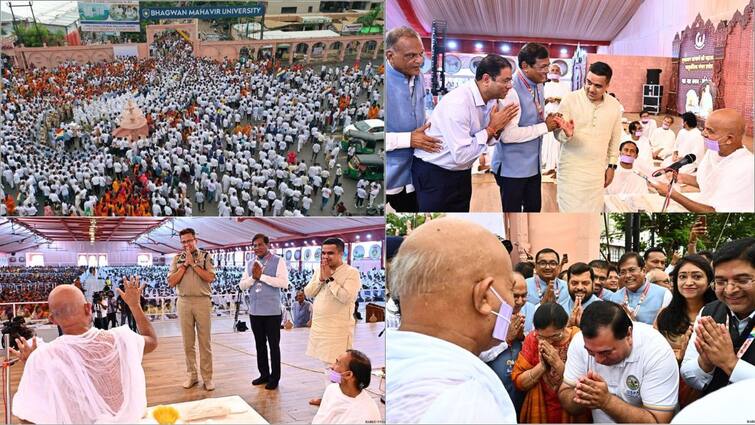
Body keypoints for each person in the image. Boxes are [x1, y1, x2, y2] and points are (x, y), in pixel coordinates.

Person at [386, 217, 518, 423]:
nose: (514, 303)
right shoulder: (466, 403)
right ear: (484, 297)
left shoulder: (394, 361)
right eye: (510, 288)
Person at [12, 277, 158, 424]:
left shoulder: (43, 357)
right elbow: (151, 340)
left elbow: (27, 415)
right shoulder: (120, 339)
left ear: (52, 319)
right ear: (88, 308)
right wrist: (135, 305)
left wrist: (33, 365)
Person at [412, 54, 519, 212]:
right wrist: (491, 129)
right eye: (505, 80)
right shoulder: (459, 103)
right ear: (486, 79)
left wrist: (497, 129)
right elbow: (461, 154)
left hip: (461, 172)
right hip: (435, 173)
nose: (510, 86)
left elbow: (484, 140)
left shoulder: (491, 100)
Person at [558, 301, 679, 423]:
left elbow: (658, 421)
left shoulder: (656, 352)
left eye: (606, 352)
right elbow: (565, 394)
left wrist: (607, 401)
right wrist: (583, 395)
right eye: (590, 352)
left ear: (628, 334)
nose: (598, 360)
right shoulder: (579, 342)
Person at [681, 238, 755, 396]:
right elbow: (688, 374)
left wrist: (730, 363)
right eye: (720, 282)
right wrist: (705, 362)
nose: (729, 290)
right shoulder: (709, 313)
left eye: (742, 280)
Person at [492, 43, 560, 212]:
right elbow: (508, 136)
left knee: (534, 213)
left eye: (548, 65)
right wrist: (545, 126)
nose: (547, 71)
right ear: (525, 66)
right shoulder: (510, 90)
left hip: (533, 166)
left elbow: (533, 113)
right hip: (512, 170)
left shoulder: (538, 82)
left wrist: (548, 119)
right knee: (513, 217)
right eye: (542, 67)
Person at [651, 108, 754, 212]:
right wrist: (681, 177)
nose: (703, 134)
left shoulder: (746, 167)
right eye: (704, 128)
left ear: (729, 139)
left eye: (710, 130)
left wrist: (672, 194)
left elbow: (716, 212)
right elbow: (705, 182)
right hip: (704, 200)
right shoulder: (713, 151)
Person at [384, 26, 440, 212]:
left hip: (412, 172)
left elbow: (420, 113)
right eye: (411, 56)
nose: (419, 61)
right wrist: (408, 139)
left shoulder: (418, 76)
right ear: (390, 55)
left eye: (421, 54)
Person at [553, 61, 622, 212]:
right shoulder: (570, 100)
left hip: (596, 173)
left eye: (598, 86)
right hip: (571, 171)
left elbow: (615, 139)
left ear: (607, 86)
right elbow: (557, 134)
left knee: (592, 215)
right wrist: (565, 133)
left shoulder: (614, 106)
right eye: (588, 82)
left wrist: (611, 166)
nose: (591, 89)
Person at [304, 238, 361, 406]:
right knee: (326, 367)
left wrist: (330, 279)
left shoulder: (351, 272)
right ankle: (330, 397)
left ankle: (336, 401)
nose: (326, 256)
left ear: (341, 254)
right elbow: (308, 292)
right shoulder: (319, 270)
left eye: (330, 253)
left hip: (338, 329)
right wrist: (321, 278)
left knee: (336, 367)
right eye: (323, 253)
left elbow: (346, 298)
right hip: (320, 327)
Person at [512, 303, 590, 423]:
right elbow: (518, 382)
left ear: (565, 326)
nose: (548, 341)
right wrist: (542, 367)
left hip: (572, 410)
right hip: (540, 410)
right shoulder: (532, 339)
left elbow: (585, 386)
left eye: (555, 336)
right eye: (542, 337)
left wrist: (558, 364)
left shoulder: (578, 338)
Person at [655, 255, 716, 407]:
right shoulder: (664, 315)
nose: (689, 282)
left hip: (710, 392)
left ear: (709, 281)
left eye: (697, 276)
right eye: (682, 276)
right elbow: (652, 353)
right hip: (669, 388)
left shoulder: (719, 315)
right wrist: (677, 357)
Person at [167, 228, 216, 391]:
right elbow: (172, 282)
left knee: (205, 342)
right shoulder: (177, 259)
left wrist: (193, 264)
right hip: (184, 302)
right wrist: (184, 265)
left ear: (196, 240)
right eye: (183, 242)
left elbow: (210, 277)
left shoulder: (206, 257)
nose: (186, 244)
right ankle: (192, 375)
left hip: (202, 301)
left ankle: (207, 378)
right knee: (188, 343)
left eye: (189, 240)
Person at [481, 271, 537, 415]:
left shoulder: (531, 310)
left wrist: (523, 338)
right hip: (493, 395)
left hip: (521, 392)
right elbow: (479, 355)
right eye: (515, 296)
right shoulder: (488, 315)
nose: (519, 301)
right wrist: (506, 340)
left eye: (524, 295)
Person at [239, 233, 289, 390]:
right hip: (255, 311)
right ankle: (264, 374)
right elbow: (242, 285)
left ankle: (275, 377)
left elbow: (283, 282)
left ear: (268, 245)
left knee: (274, 346)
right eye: (254, 245)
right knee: (259, 345)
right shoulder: (249, 263)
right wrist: (254, 278)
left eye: (260, 244)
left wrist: (262, 276)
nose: (257, 248)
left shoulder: (278, 261)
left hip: (272, 312)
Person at [312, 349, 382, 424]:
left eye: (337, 363)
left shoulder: (365, 414)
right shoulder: (331, 389)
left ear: (348, 375)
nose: (332, 366)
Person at [607, 252, 672, 325]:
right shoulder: (614, 298)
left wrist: (636, 325)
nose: (627, 275)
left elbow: (668, 329)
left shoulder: (663, 294)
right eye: (623, 272)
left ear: (643, 271)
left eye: (632, 270)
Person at [541, 63, 570, 173]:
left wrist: (558, 99)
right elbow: (541, 102)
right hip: (548, 115)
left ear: (560, 73)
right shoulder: (545, 86)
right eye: (552, 70)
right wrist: (548, 100)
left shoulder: (565, 87)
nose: (554, 72)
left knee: (557, 141)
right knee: (547, 140)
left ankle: (557, 163)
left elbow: (568, 101)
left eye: (556, 70)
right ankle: (546, 162)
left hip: (559, 114)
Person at [560, 262, 602, 327]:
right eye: (574, 283)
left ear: (593, 284)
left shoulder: (603, 310)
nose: (580, 287)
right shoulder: (560, 308)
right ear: (568, 284)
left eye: (585, 283)